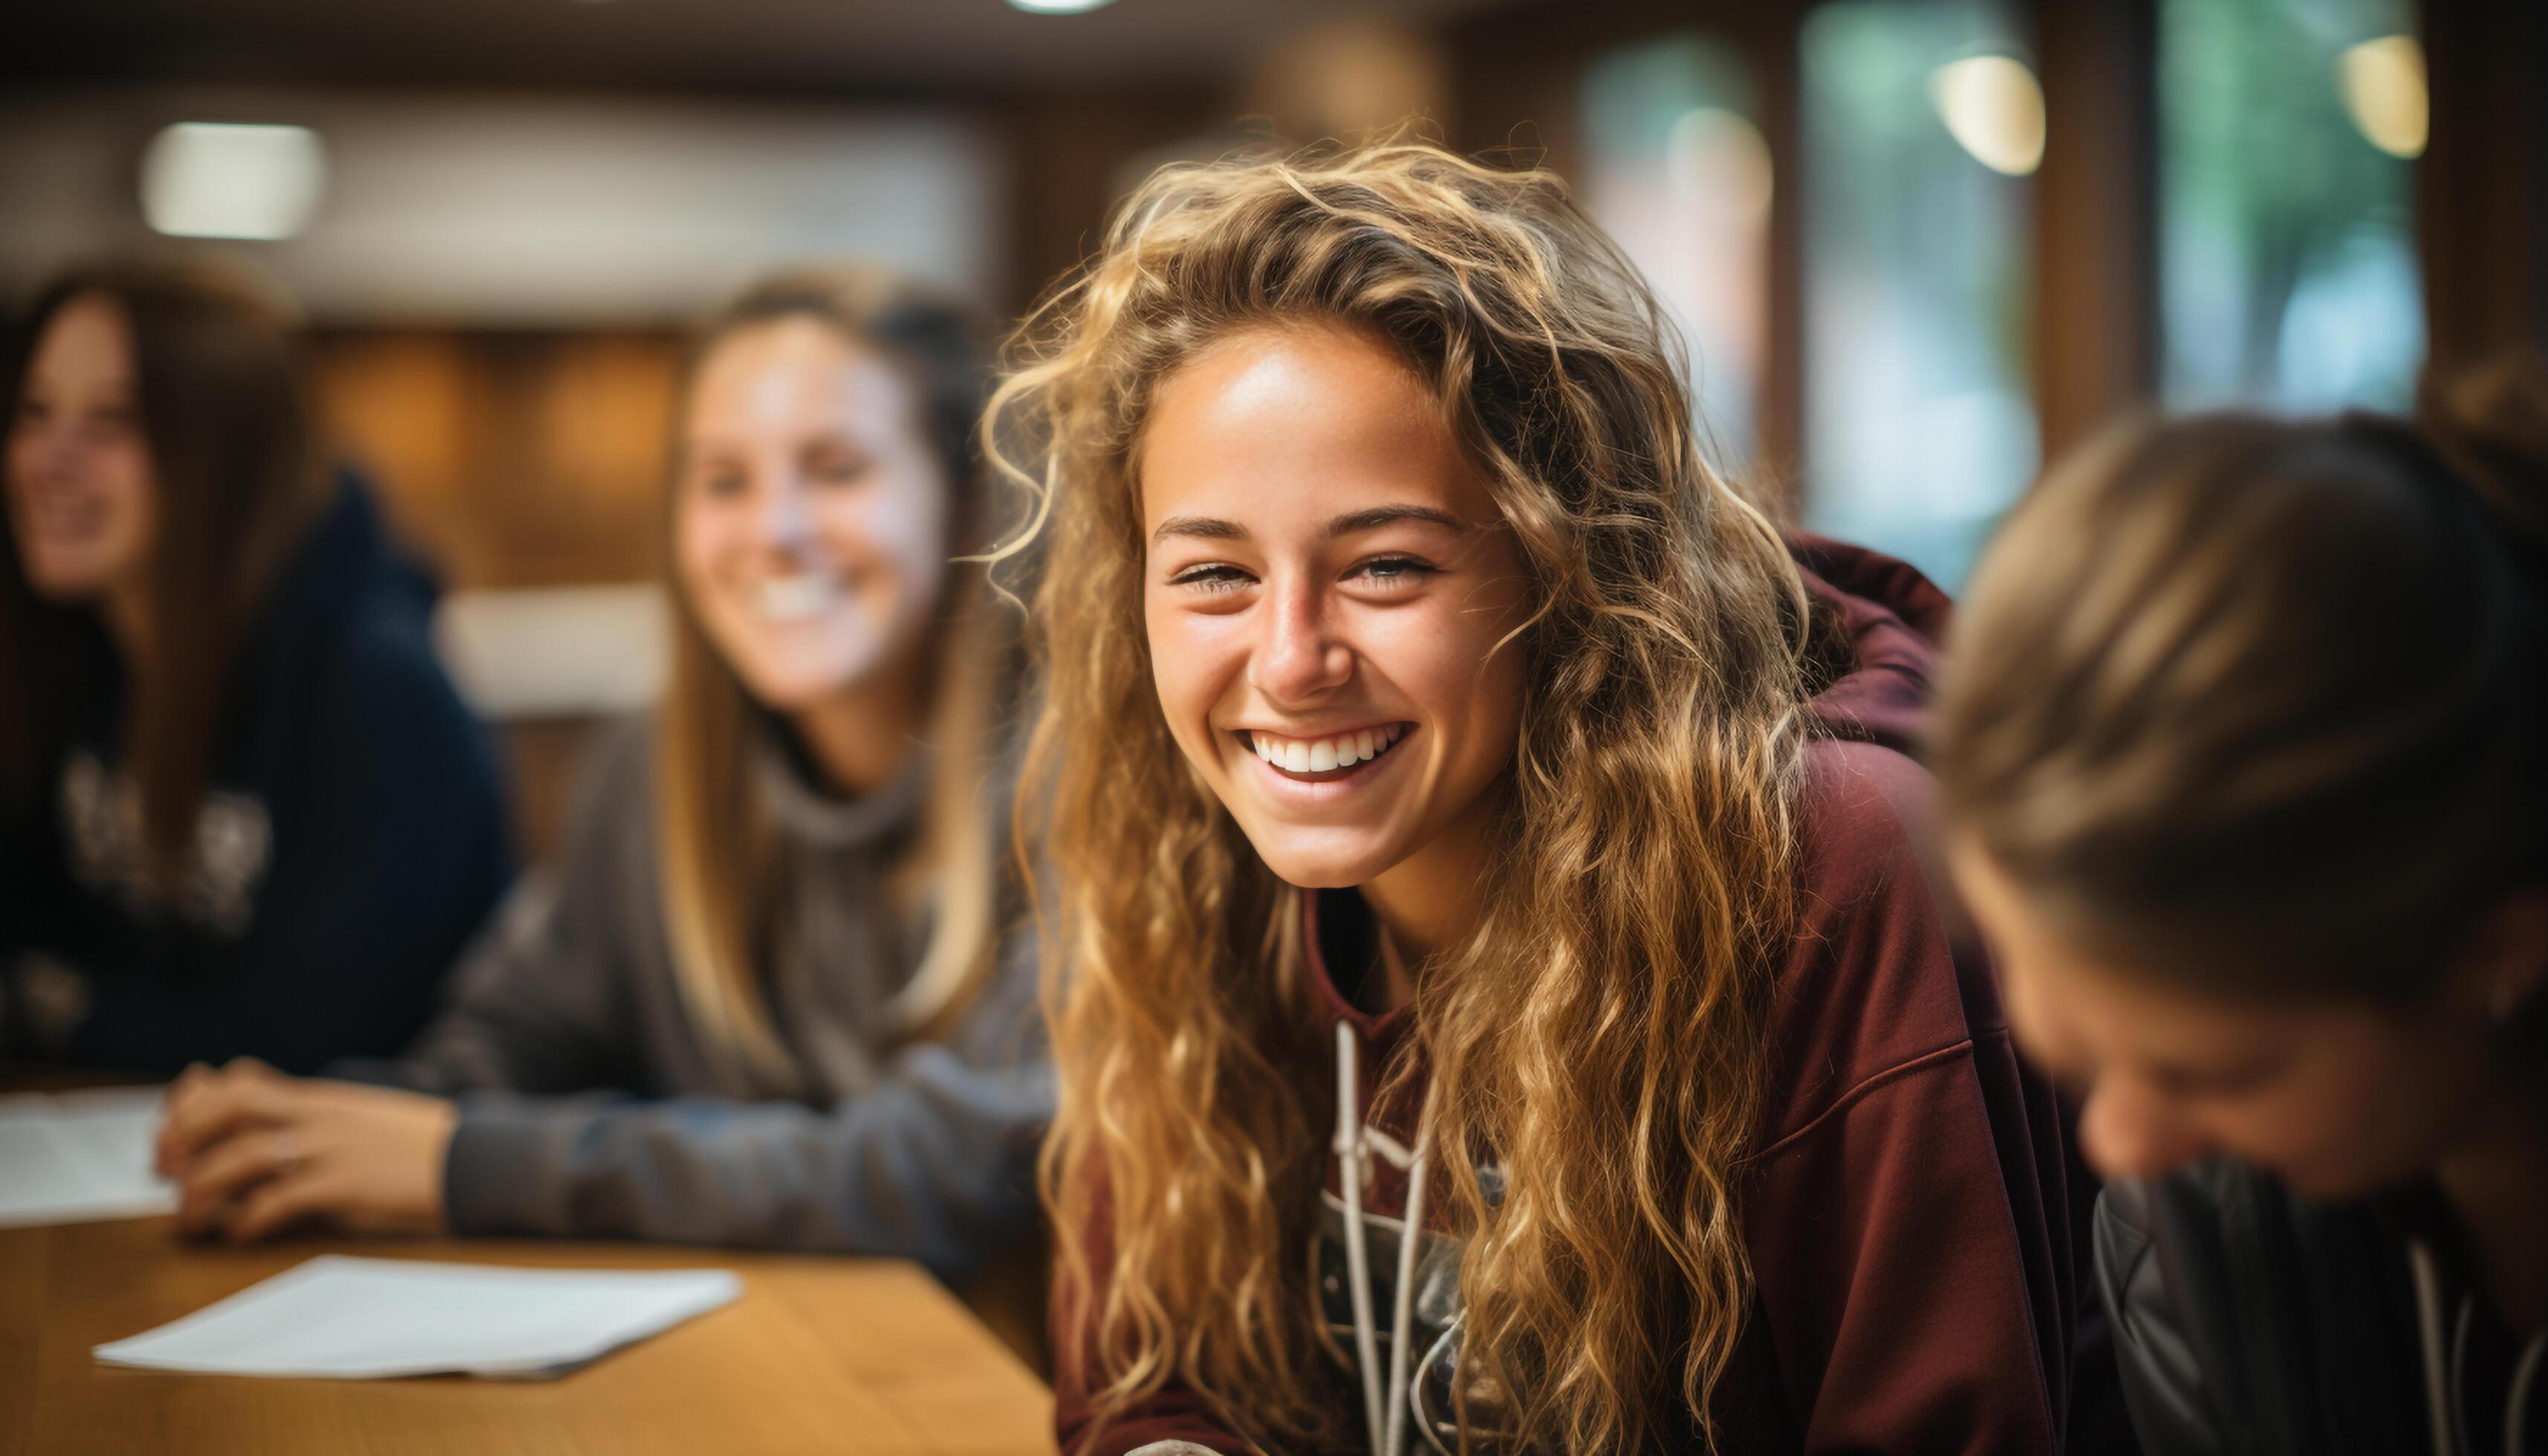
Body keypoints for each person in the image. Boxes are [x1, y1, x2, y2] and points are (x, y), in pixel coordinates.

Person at [992, 137, 2102, 1455]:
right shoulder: (1193, 856)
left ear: (1570, 573)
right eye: (1213, 576)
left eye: (1386, 566)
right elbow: (1148, 1389)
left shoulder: (1826, 870)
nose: (1289, 662)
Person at [151, 267, 1052, 1281]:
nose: (772, 530)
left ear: (968, 509)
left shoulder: (1069, 774)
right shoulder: (649, 760)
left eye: (837, 468)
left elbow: (945, 1174)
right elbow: (507, 1041)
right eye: (723, 481)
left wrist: (468, 1165)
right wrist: (316, 1124)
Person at [1933, 358, 2548, 1455]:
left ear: (2502, 947)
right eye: (2073, 1051)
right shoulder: (2187, 1248)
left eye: (2214, 1071)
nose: (2117, 1145)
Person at [1, 259, 512, 1076]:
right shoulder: (69, 652)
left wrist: (57, 1005)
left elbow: (305, 1049)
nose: (48, 459)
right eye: (33, 412)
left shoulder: (376, 687)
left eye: (112, 421)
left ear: (221, 455)